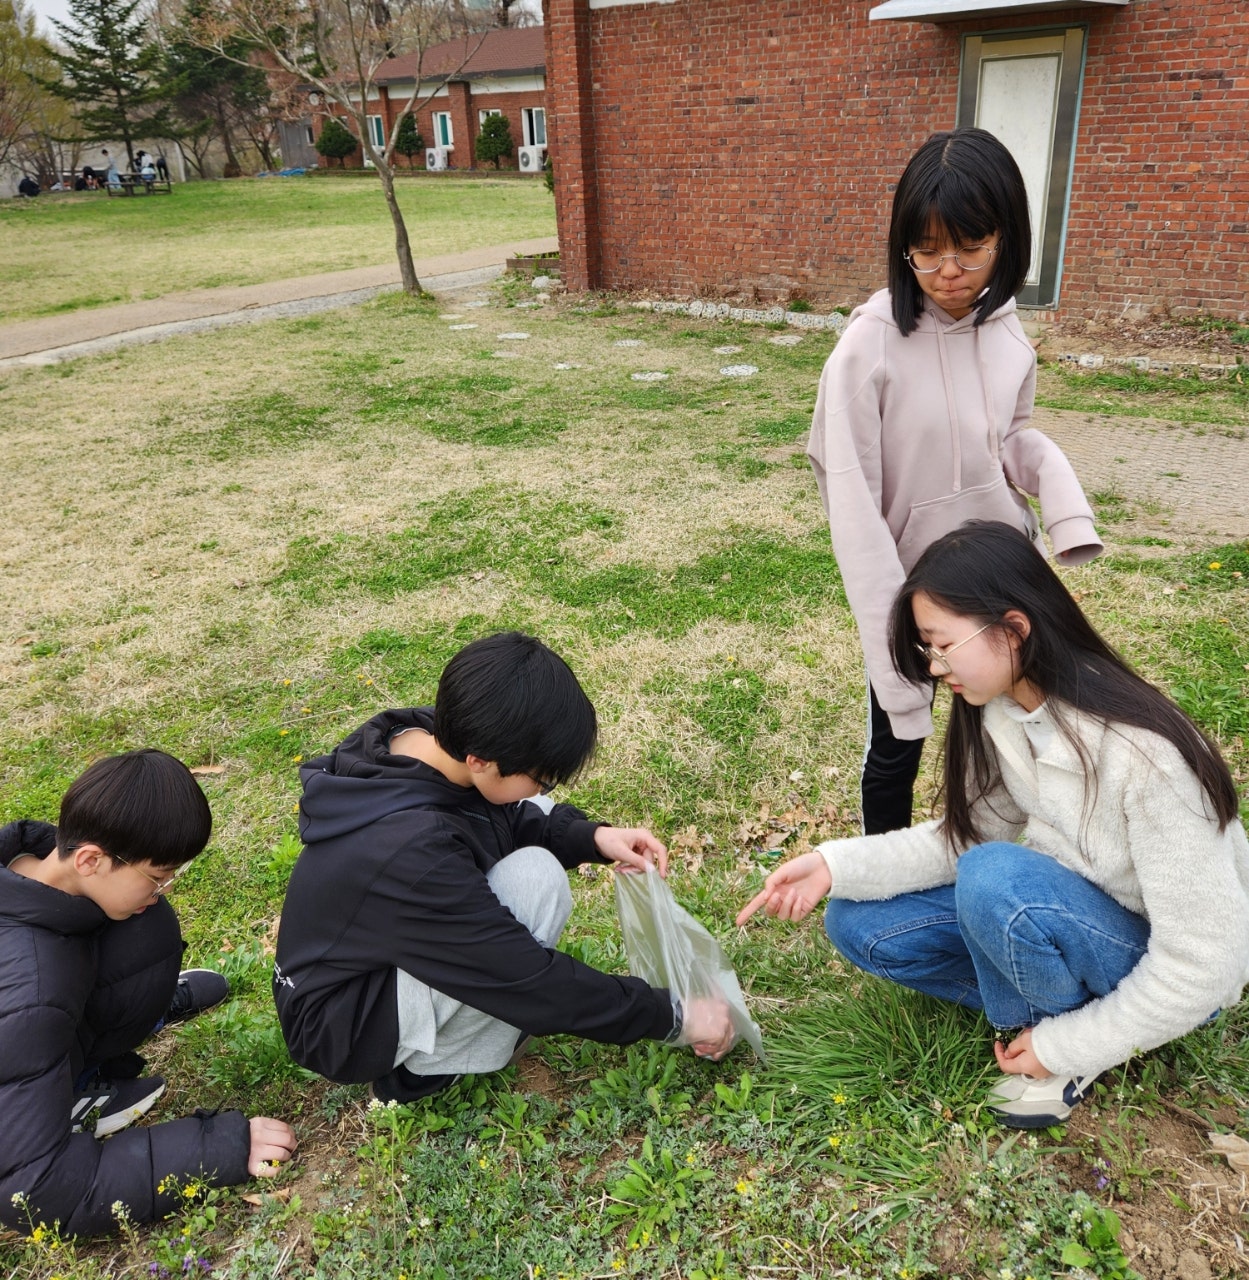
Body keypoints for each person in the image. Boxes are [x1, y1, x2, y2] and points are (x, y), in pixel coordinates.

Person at [738, 520, 1249, 1128]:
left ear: (1013, 629)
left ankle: (1059, 1045)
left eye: (941, 644)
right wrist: (834, 865)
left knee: (994, 878)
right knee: (858, 920)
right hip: (1063, 918)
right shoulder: (1004, 710)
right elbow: (969, 837)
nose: (932, 667)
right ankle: (1058, 1017)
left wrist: (1066, 1044)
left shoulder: (1148, 757)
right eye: (926, 648)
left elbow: (1207, 964)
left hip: (1156, 960)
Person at [274, 631, 737, 1103]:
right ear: (480, 761)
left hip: (365, 966)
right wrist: (673, 1015)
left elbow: (503, 816)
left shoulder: (430, 741)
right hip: (342, 1024)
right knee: (536, 884)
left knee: (530, 873)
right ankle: (419, 1075)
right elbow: (525, 979)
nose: (541, 791)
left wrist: (593, 838)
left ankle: (446, 1041)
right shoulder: (411, 850)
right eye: (539, 778)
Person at [807, 127, 1103, 837]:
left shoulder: (1007, 335)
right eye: (926, 249)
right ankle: (884, 877)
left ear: (1005, 240)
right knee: (897, 745)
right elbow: (854, 515)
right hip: (915, 592)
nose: (946, 270)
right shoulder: (864, 351)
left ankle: (1002, 859)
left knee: (1019, 731)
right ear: (901, 244)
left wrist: (1065, 513)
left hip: (1001, 578)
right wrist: (894, 644)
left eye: (968, 248)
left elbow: (1010, 441)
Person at [0, 750, 297, 1238]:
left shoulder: (37, 864)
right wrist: (215, 1149)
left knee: (139, 927)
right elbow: (35, 1186)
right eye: (158, 877)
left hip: (35, 1027)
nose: (163, 890)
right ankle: (69, 1094)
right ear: (91, 858)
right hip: (24, 1056)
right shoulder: (30, 992)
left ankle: (95, 1050)